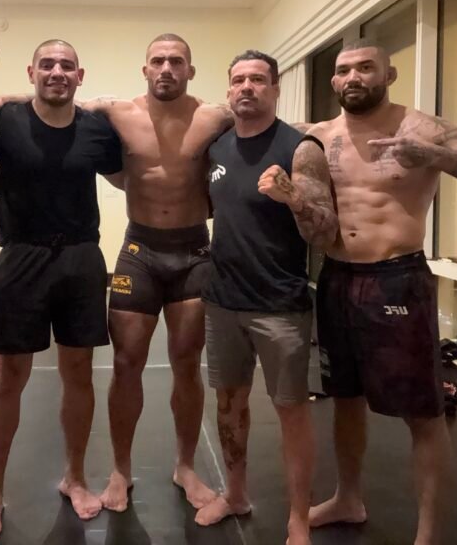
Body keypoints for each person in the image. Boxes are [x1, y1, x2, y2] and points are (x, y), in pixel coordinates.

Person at [0, 34, 234, 512]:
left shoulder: (214, 116)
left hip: (193, 251)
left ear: (190, 70)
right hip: (138, 250)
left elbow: (263, 122)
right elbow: (60, 97)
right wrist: (6, 96)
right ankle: (120, 471)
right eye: (158, 60)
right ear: (145, 69)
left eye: (176, 61)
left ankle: (185, 466)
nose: (166, 68)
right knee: (125, 363)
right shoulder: (117, 113)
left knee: (187, 363)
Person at [306, 38, 457, 545]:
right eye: (345, 70)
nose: (353, 77)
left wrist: (433, 156)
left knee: (424, 412)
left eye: (366, 68)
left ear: (388, 75)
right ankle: (348, 498)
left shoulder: (423, 129)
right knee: (344, 398)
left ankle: (428, 535)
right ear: (334, 80)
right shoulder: (320, 136)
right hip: (336, 277)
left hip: (397, 278)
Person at [0, 40, 122, 543]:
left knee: (79, 374)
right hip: (21, 257)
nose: (57, 72)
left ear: (80, 75)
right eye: (48, 65)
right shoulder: (5, 119)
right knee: (8, 379)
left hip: (81, 258)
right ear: (32, 71)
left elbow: (129, 175)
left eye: (67, 66)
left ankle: (74, 477)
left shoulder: (97, 127)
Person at [193, 51, 337, 545]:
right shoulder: (217, 148)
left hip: (280, 305)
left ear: (275, 89)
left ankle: (299, 518)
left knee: (291, 411)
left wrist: (293, 197)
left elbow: (325, 231)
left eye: (258, 79)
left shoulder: (300, 148)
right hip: (223, 300)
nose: (247, 87)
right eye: (238, 79)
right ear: (228, 89)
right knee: (228, 404)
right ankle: (235, 494)